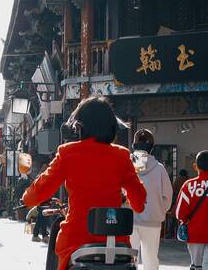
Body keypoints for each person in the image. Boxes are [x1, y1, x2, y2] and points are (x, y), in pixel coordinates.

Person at [22, 96, 147, 270]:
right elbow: (140, 202)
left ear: (80, 127)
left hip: (76, 242)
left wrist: (26, 198)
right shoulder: (122, 155)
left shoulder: (68, 153)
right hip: (118, 245)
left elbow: (38, 192)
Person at [129, 129, 173, 270]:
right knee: (151, 258)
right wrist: (159, 210)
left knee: (130, 258)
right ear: (152, 147)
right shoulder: (159, 168)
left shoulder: (126, 165)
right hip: (153, 219)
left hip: (128, 219)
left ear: (134, 145)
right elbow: (167, 195)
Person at [176, 150, 208, 270]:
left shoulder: (189, 185)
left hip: (195, 234)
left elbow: (180, 213)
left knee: (197, 266)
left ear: (196, 166)